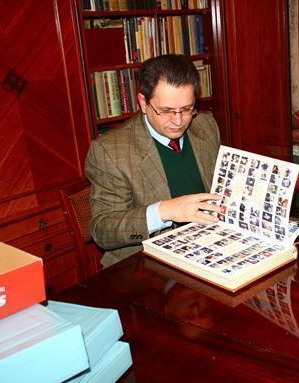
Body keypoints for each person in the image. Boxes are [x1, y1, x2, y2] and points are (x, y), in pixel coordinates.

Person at [86, 54, 223, 268]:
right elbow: (103, 231)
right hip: (144, 265)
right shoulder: (110, 151)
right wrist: (164, 211)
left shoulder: (205, 125)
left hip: (209, 249)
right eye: (166, 111)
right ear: (143, 102)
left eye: (187, 109)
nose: (178, 121)